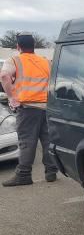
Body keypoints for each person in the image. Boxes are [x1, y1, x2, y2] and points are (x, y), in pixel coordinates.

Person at [0, 32, 57, 187]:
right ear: (34, 46)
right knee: (47, 140)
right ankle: (51, 171)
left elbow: (4, 76)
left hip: (28, 108)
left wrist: (11, 97)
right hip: (47, 107)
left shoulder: (15, 60)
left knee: (27, 141)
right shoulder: (45, 61)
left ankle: (23, 174)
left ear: (18, 47)